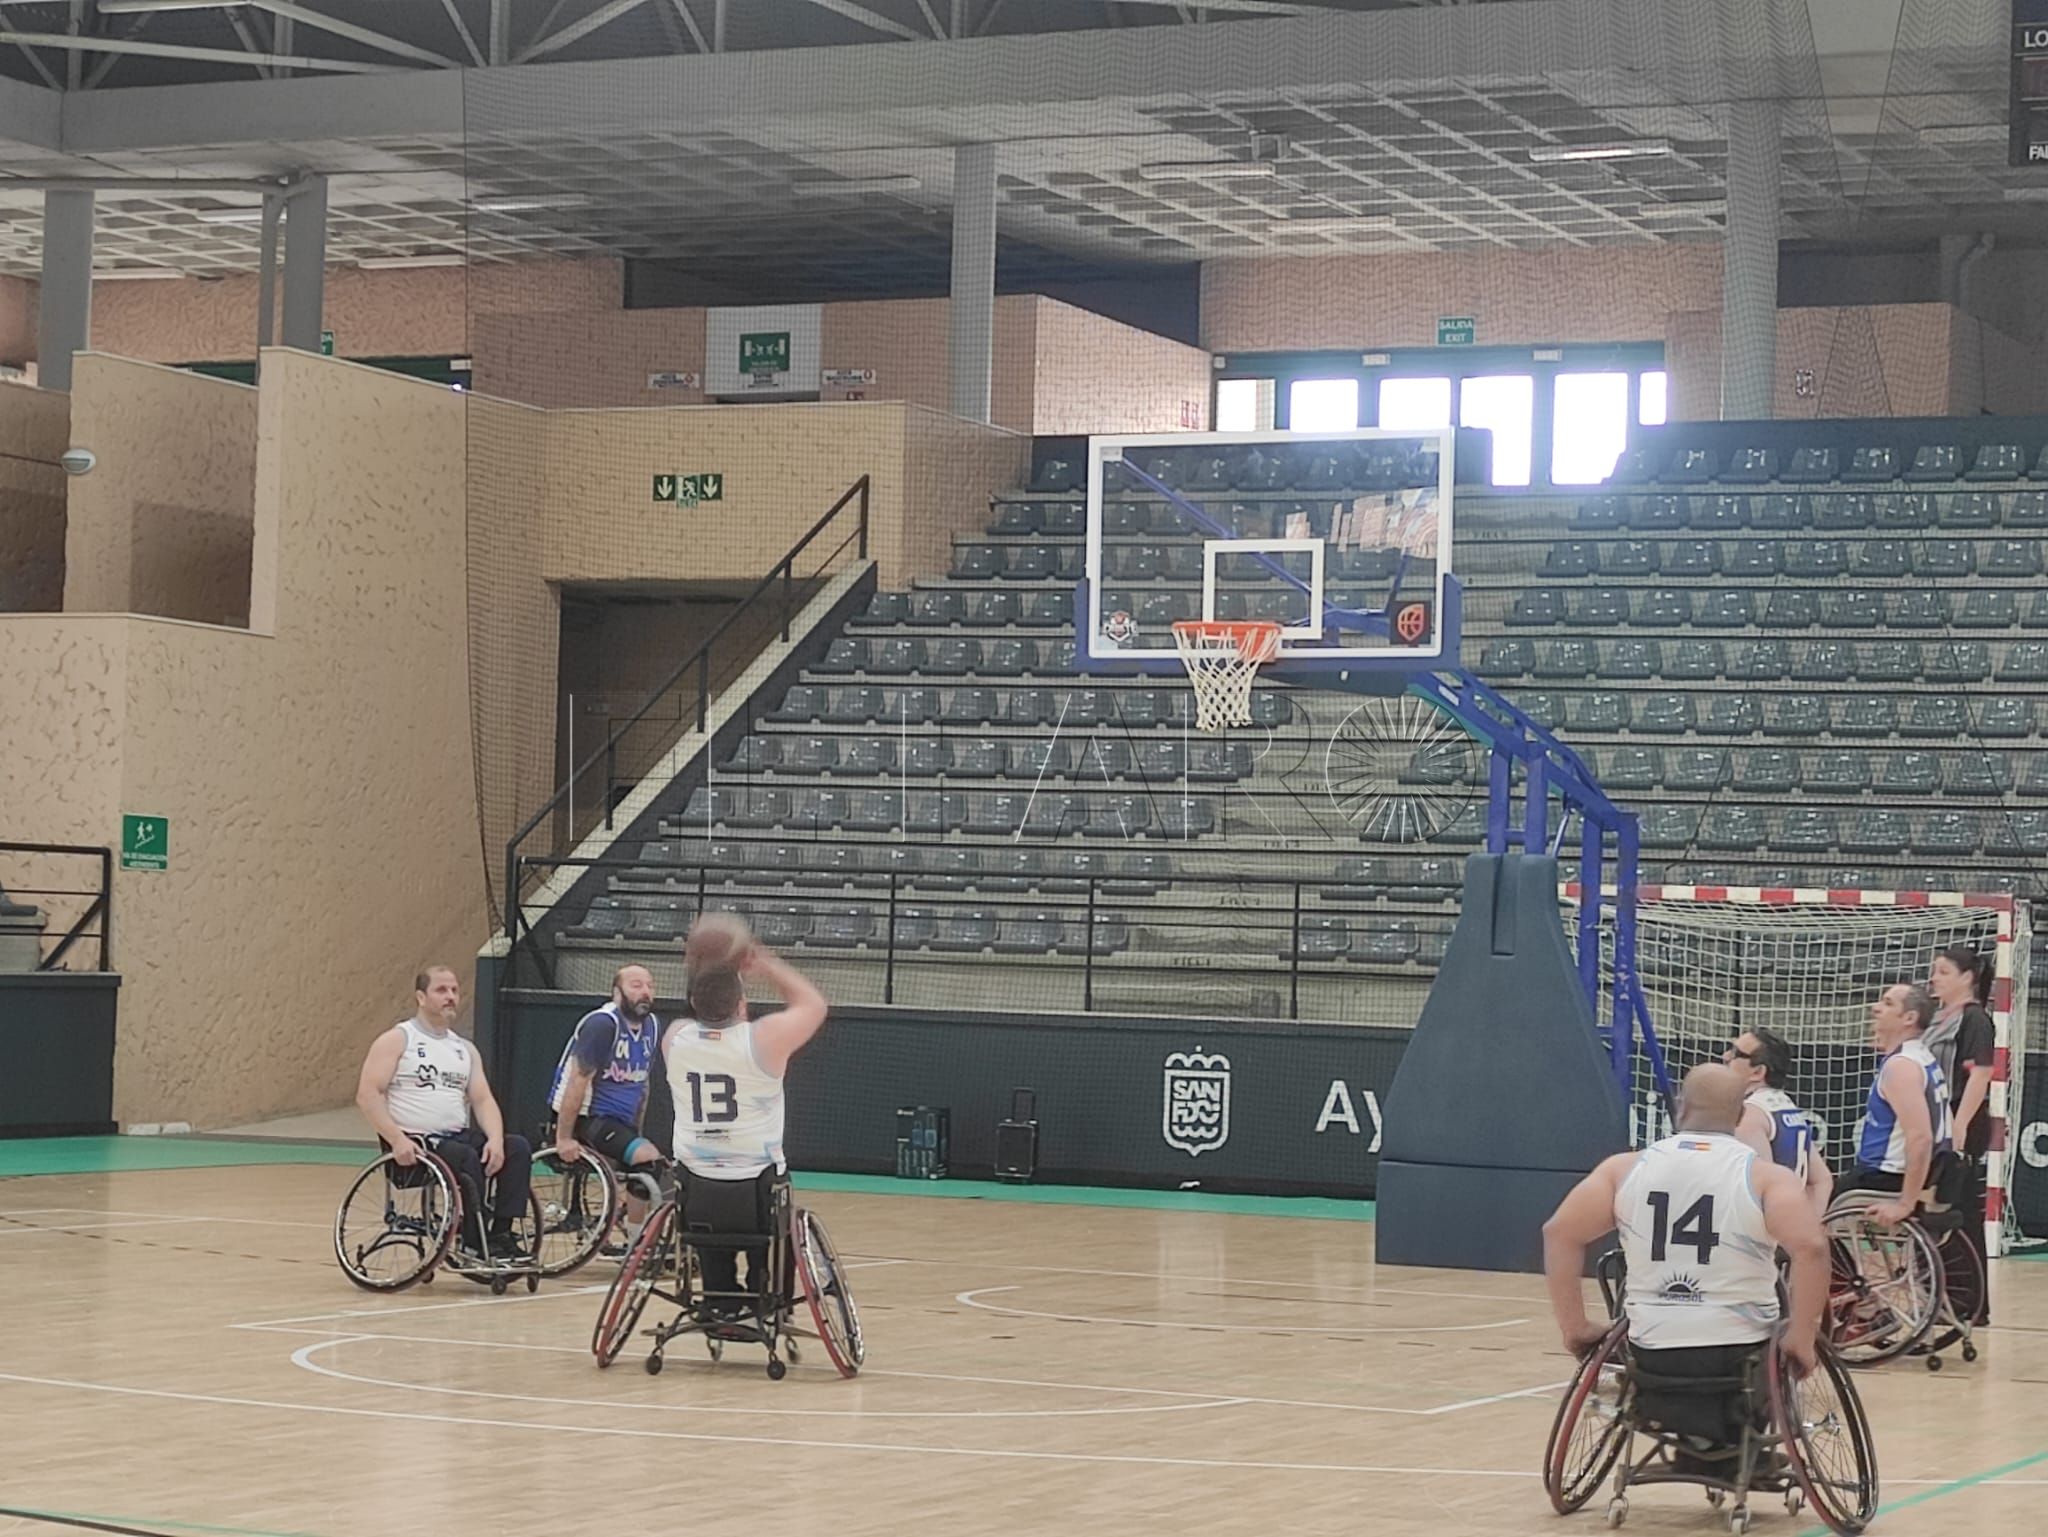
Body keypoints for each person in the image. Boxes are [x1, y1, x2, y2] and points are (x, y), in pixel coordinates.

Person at [1545, 1065, 1828, 1402]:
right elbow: (1811, 1249)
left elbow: (1559, 1233)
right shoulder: (1768, 1178)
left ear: (1681, 1106)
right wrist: (1802, 1338)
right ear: (1739, 1116)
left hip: (1649, 1347)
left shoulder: (1623, 1169)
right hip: (1740, 1351)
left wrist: (1575, 1328)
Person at [662, 936, 828, 1318]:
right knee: (776, 1202)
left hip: (697, 1192)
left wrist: (704, 965)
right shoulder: (763, 1040)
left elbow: (701, 1008)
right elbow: (814, 1005)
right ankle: (767, 1299)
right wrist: (766, 964)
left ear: (693, 1003)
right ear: (742, 1005)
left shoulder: (675, 1038)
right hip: (756, 1192)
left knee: (703, 1199)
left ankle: (719, 1301)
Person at [356, 965, 533, 1260]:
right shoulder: (399, 1039)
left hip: (456, 1137)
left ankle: (501, 1233)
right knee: (463, 1156)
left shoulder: (464, 1049)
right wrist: (397, 1139)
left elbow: (483, 1100)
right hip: (417, 1143)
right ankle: (472, 1241)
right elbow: (367, 1095)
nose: (450, 996)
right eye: (441, 990)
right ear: (420, 997)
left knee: (518, 1148)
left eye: (454, 990)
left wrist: (496, 1140)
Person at [550, 963, 667, 1252]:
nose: (645, 992)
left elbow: (643, 1083)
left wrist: (635, 1131)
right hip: (589, 1116)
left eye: (650, 986)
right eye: (636, 985)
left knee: (651, 1163)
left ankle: (633, 1237)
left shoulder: (652, 1026)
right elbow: (577, 1081)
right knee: (648, 1159)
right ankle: (637, 1242)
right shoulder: (602, 1024)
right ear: (617, 992)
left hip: (620, 1121)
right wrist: (564, 1137)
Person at [1835, 982, 1953, 1227]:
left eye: (1887, 1003)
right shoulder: (1920, 1056)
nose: (1875, 1008)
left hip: (1885, 1175)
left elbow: (1920, 1137)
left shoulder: (1902, 1067)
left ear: (1909, 1017)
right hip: (1905, 1172)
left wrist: (1905, 1203)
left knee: (1803, 1216)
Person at [1925, 944, 1996, 1318]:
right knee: (1937, 1212)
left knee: (1960, 1214)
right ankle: (1936, 1297)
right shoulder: (1937, 1017)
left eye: (1943, 971)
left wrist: (1960, 1124)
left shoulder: (1974, 1019)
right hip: (1935, 1119)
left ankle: (1969, 1304)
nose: (1934, 978)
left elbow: (1980, 1074)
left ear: (1967, 978)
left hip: (1959, 1119)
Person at [1722, 1027, 1834, 1215]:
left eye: (1735, 1053)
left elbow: (1760, 1190)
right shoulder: (1786, 1106)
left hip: (1765, 1235)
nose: (1725, 1057)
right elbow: (1822, 1180)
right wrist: (1808, 1227)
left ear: (1758, 1072)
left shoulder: (1750, 1115)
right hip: (1787, 1228)